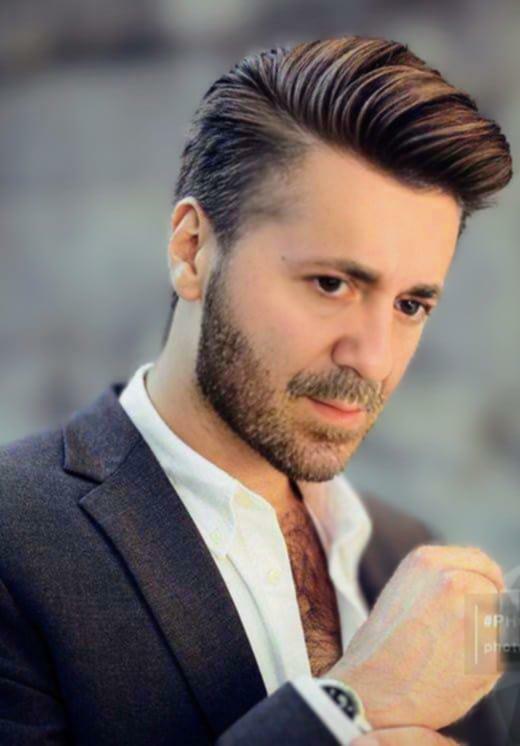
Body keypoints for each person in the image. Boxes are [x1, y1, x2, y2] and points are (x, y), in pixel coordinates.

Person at [0, 36, 513, 745]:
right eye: (332, 284)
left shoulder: (404, 551)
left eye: (411, 305)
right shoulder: (15, 538)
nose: (372, 359)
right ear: (192, 251)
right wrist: (349, 705)